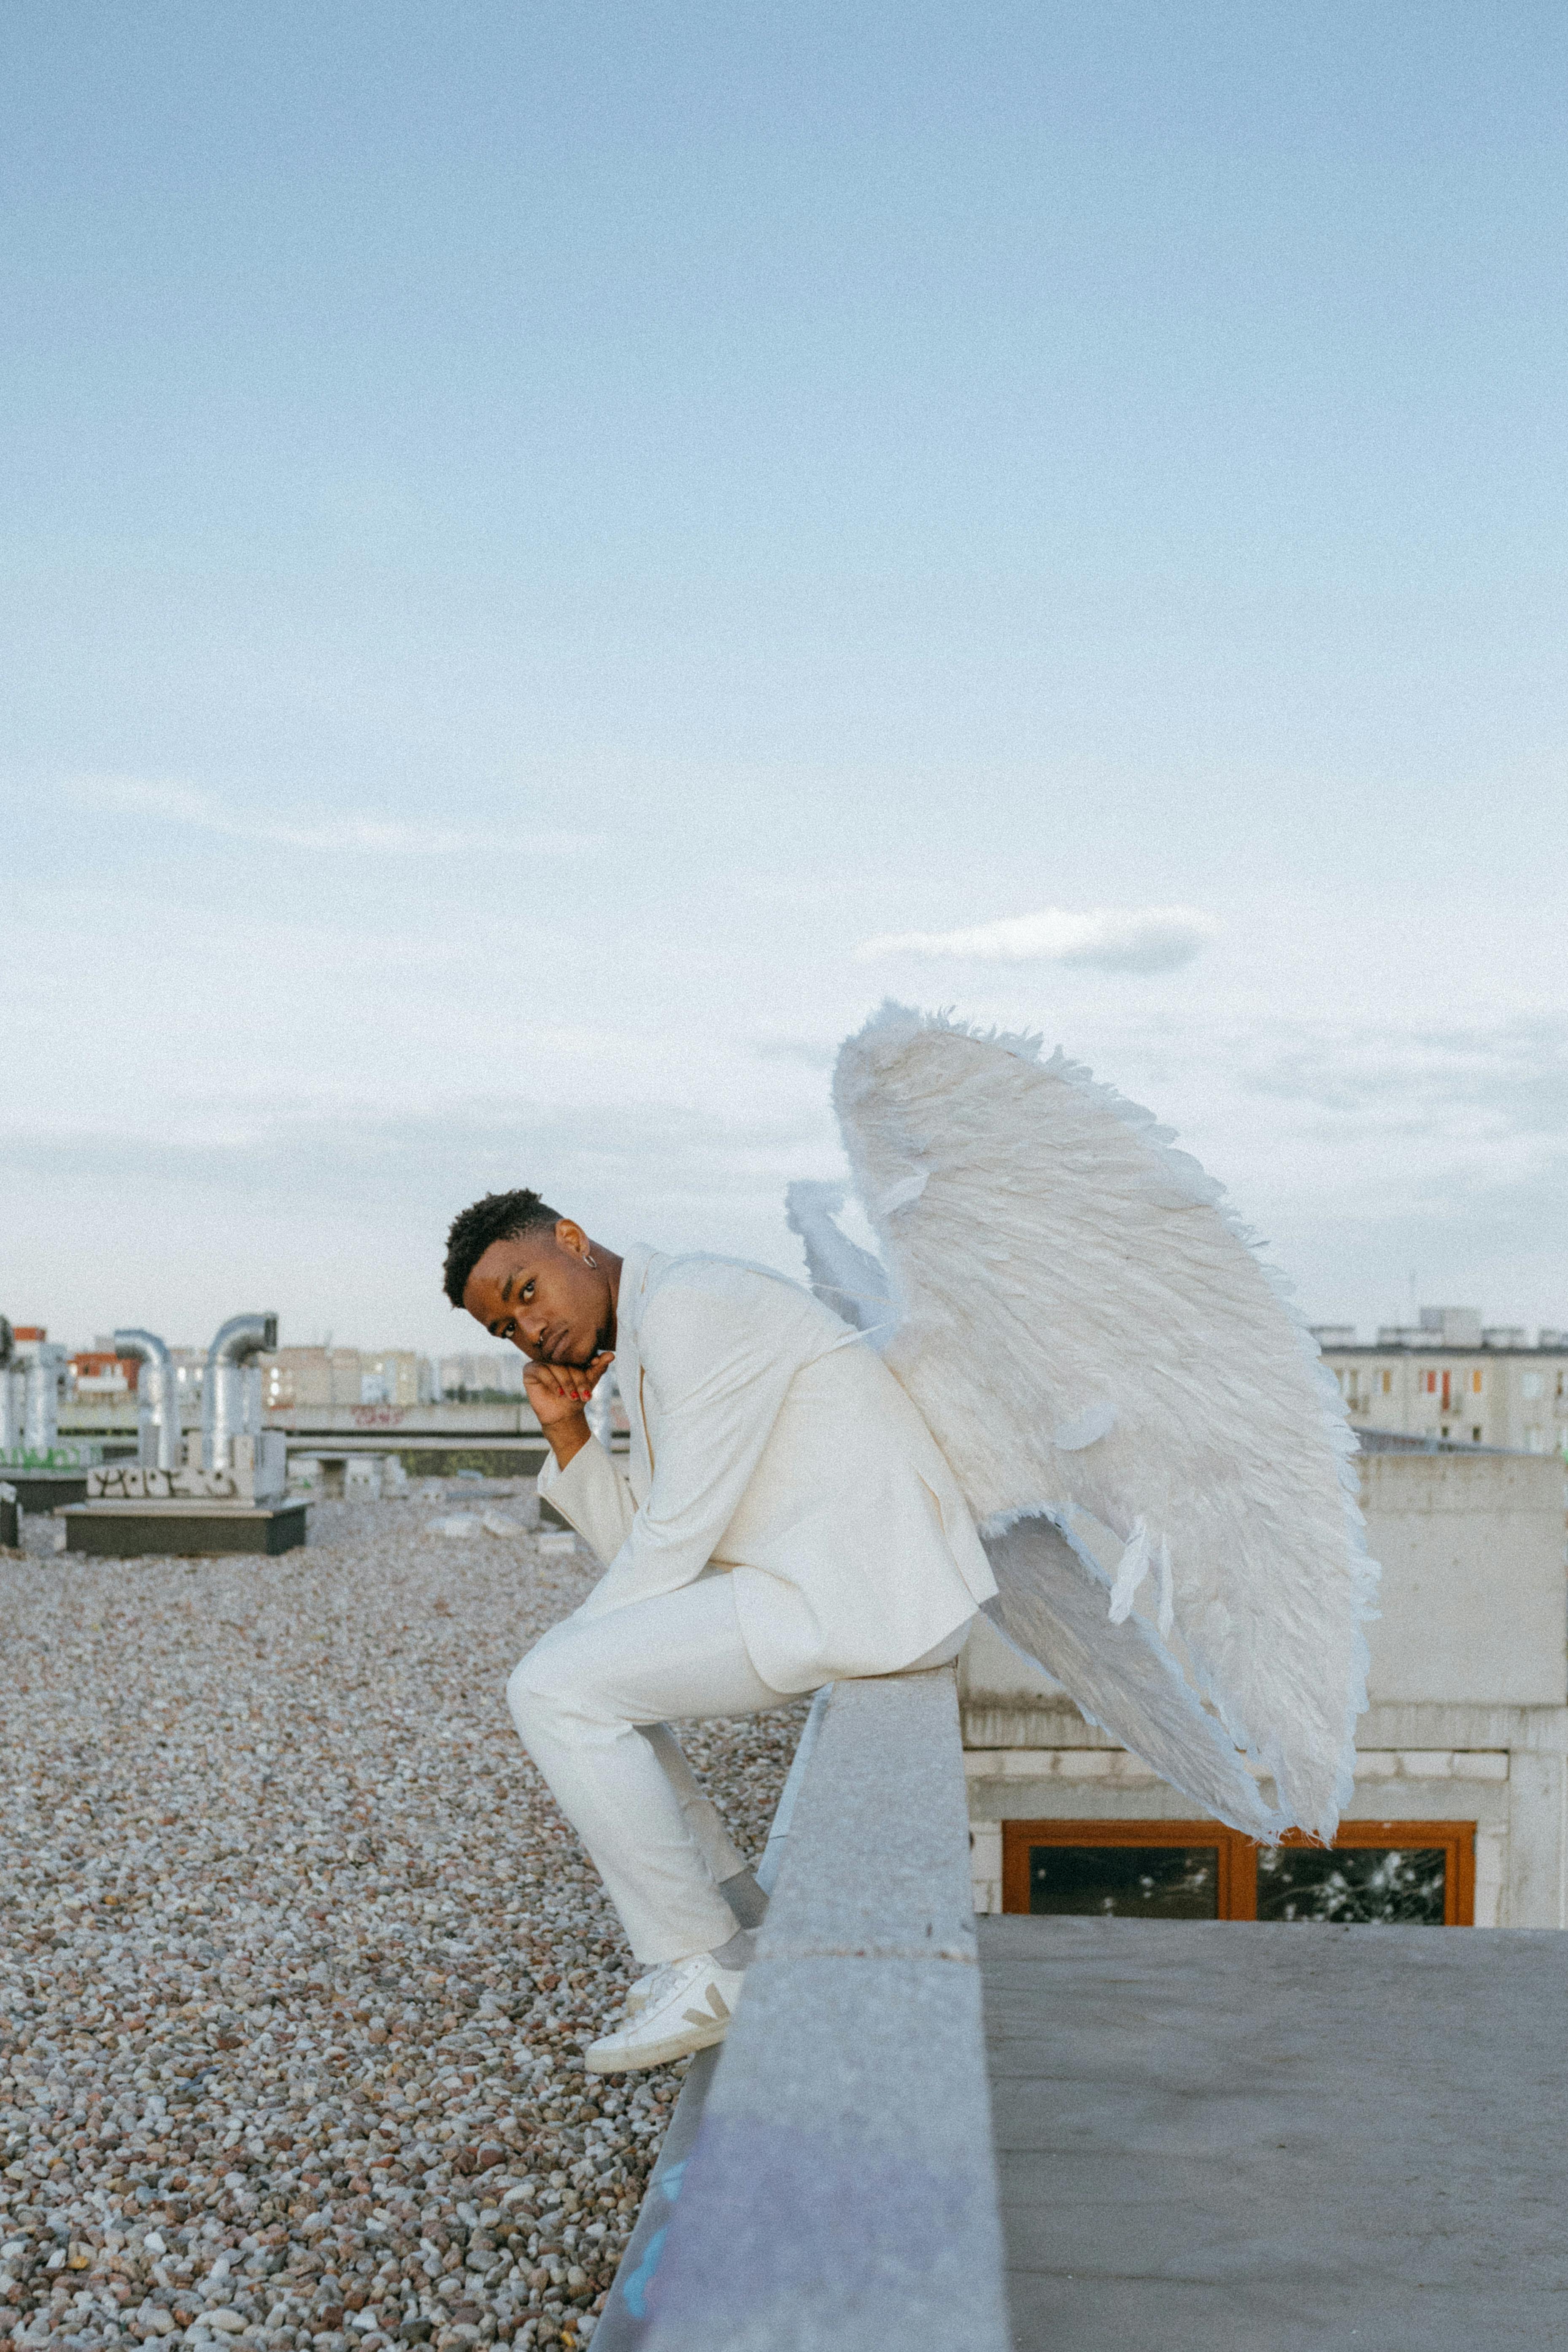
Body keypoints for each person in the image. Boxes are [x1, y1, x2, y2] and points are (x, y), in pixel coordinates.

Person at [442, 1187, 996, 2073]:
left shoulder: (693, 1306)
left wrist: (564, 1655)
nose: (526, 1330)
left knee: (555, 1686)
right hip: (821, 1584)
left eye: (525, 1291)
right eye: (503, 1329)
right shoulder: (658, 1328)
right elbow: (656, 1546)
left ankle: (698, 1966)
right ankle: (737, 1917)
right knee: (586, 1679)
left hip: (859, 1591)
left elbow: (671, 1543)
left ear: (574, 1242)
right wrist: (569, 1433)